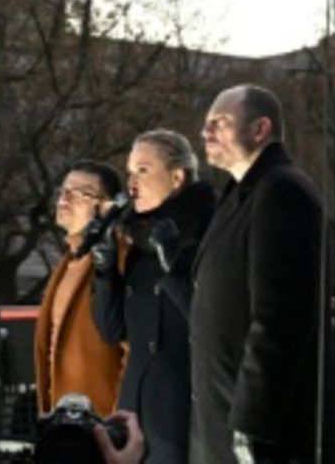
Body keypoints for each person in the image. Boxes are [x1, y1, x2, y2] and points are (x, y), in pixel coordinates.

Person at [192, 85, 322, 464]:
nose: (206, 132)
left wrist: (252, 424)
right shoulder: (240, 196)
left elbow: (281, 317)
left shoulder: (282, 191)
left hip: (261, 437)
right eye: (206, 124)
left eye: (220, 122)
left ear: (259, 129)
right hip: (221, 427)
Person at [91, 130, 215, 462]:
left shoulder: (210, 233)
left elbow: (211, 326)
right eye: (129, 172)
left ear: (177, 177)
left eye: (143, 170)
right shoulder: (139, 240)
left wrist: (173, 265)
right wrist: (104, 270)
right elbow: (111, 329)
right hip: (136, 419)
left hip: (187, 418)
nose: (132, 183)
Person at [34, 160, 128, 417]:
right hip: (63, 426)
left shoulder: (119, 258)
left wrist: (119, 420)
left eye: (81, 193)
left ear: (107, 207)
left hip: (104, 428)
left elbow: (134, 351)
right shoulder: (67, 263)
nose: (65, 197)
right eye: (64, 190)